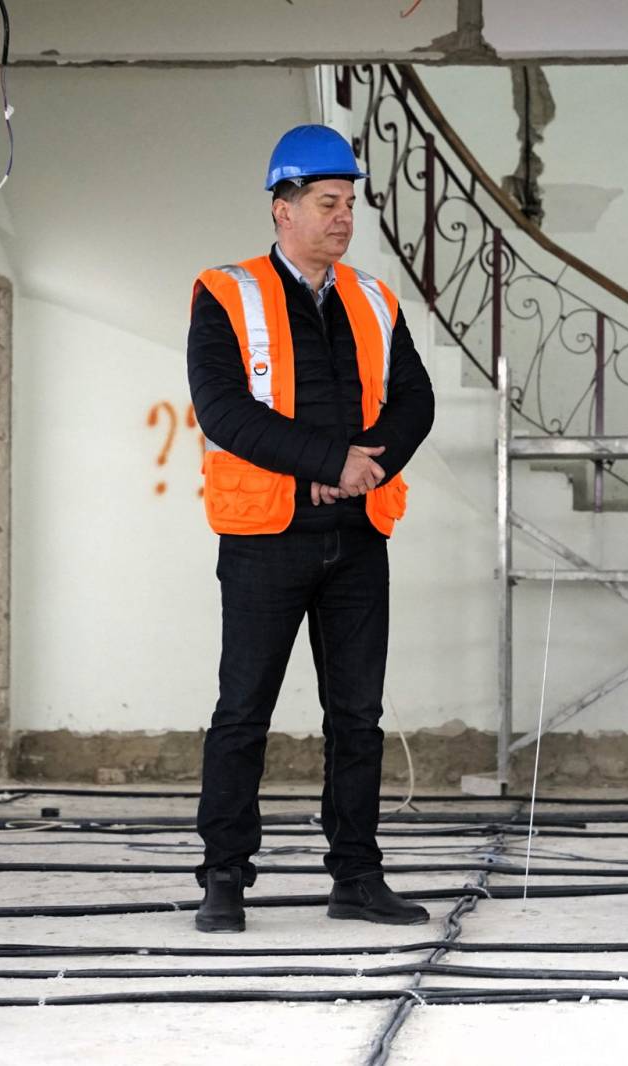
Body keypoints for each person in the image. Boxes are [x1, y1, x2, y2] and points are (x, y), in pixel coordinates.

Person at [186, 124, 435, 933]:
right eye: (328, 203)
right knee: (243, 711)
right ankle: (225, 877)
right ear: (282, 208)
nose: (343, 218)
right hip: (266, 537)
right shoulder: (225, 293)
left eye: (349, 204)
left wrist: (367, 468)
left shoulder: (374, 298)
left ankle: (356, 877)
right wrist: (330, 461)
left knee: (357, 717)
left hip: (357, 537)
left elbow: (415, 401)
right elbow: (223, 411)